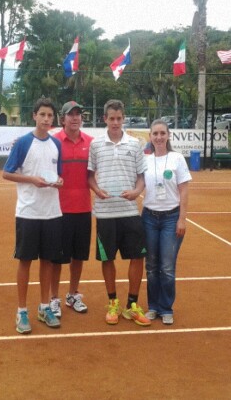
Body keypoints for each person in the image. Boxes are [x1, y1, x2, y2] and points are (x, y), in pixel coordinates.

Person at [3, 98, 64, 334]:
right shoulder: (23, 143)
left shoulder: (56, 145)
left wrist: (58, 182)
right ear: (34, 116)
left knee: (48, 261)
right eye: (43, 115)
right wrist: (32, 180)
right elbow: (6, 173)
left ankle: (44, 307)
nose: (47, 119)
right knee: (25, 261)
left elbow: (59, 176)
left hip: (52, 213)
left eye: (50, 115)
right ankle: (21, 312)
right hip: (28, 212)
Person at [87, 99, 151, 327]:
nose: (115, 122)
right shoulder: (95, 145)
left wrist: (136, 192)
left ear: (123, 119)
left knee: (137, 256)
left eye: (119, 118)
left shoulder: (135, 144)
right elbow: (90, 176)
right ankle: (113, 303)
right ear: (104, 119)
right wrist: (96, 190)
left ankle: (132, 305)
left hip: (129, 211)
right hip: (105, 213)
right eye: (111, 118)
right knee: (108, 258)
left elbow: (142, 177)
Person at [142, 119, 191, 325]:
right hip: (149, 218)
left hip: (171, 218)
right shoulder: (144, 160)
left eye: (163, 133)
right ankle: (153, 306)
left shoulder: (177, 158)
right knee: (152, 266)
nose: (159, 137)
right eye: (155, 134)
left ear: (168, 135)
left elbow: (184, 189)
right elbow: (137, 185)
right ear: (150, 137)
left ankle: (166, 307)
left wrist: (182, 218)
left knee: (167, 267)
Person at [49, 101, 93, 318]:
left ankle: (72, 294)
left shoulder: (91, 143)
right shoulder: (53, 141)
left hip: (84, 209)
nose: (75, 118)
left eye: (78, 114)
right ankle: (53, 298)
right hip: (58, 211)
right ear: (62, 119)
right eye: (71, 115)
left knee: (78, 257)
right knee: (57, 259)